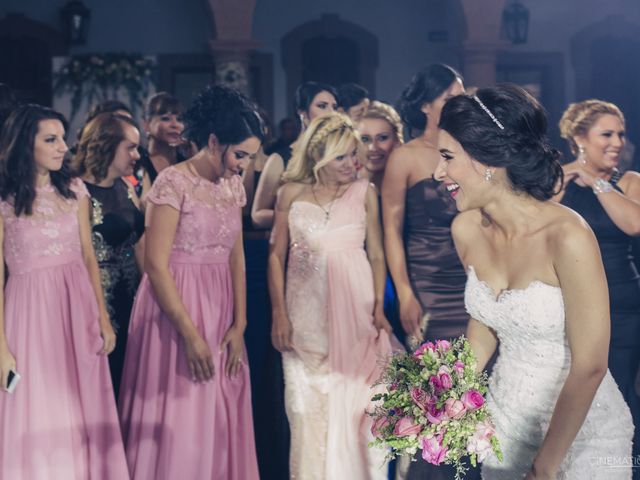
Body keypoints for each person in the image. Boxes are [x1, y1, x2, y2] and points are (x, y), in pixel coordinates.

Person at [435, 84, 632, 479]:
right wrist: (438, 397)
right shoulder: (467, 230)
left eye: (447, 157)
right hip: (505, 424)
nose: (437, 172)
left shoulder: (567, 235)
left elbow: (591, 364)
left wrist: (544, 467)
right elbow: (487, 325)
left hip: (582, 436)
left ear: (487, 157)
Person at [118, 85, 263, 480]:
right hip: (175, 309)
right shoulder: (172, 182)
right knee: (184, 411)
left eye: (250, 157)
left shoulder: (233, 186)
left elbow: (236, 256)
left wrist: (240, 323)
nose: (244, 166)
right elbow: (156, 265)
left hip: (221, 307)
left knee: (221, 407)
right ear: (214, 142)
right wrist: (190, 334)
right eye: (240, 155)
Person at [0, 105, 129, 478]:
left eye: (62, 138)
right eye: (51, 140)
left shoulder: (74, 190)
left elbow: (89, 257)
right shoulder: (5, 201)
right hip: (27, 314)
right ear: (27, 144)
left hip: (76, 308)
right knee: (39, 405)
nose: (63, 148)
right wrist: (2, 347)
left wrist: (103, 319)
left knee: (80, 403)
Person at [269, 112, 396, 479]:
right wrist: (279, 314)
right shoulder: (290, 193)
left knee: (363, 412)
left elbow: (376, 253)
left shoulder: (364, 192)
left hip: (356, 316)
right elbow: (276, 257)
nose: (352, 163)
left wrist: (378, 306)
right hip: (304, 320)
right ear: (319, 156)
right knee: (306, 412)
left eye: (353, 154)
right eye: (341, 156)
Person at [556, 99, 640, 473]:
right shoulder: (557, 180)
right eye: (607, 133)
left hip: (623, 305)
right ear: (579, 137)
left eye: (620, 133)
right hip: (570, 305)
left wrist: (601, 183)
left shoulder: (629, 182)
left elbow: (634, 225)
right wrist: (566, 180)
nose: (617, 141)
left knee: (620, 396)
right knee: (573, 395)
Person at [72, 112, 145, 396]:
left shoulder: (125, 187)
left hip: (132, 296)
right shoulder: (75, 190)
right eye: (131, 147)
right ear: (106, 145)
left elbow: (139, 242)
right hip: (99, 302)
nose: (137, 155)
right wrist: (100, 316)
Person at [251, 81, 338, 229]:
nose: (331, 113)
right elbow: (258, 216)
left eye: (334, 107)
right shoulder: (279, 159)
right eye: (322, 106)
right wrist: (302, 216)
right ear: (302, 112)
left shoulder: (339, 156)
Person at [136, 92, 191, 198]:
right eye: (166, 118)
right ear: (146, 124)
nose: (175, 125)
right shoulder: (137, 162)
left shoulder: (186, 163)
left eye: (179, 119)